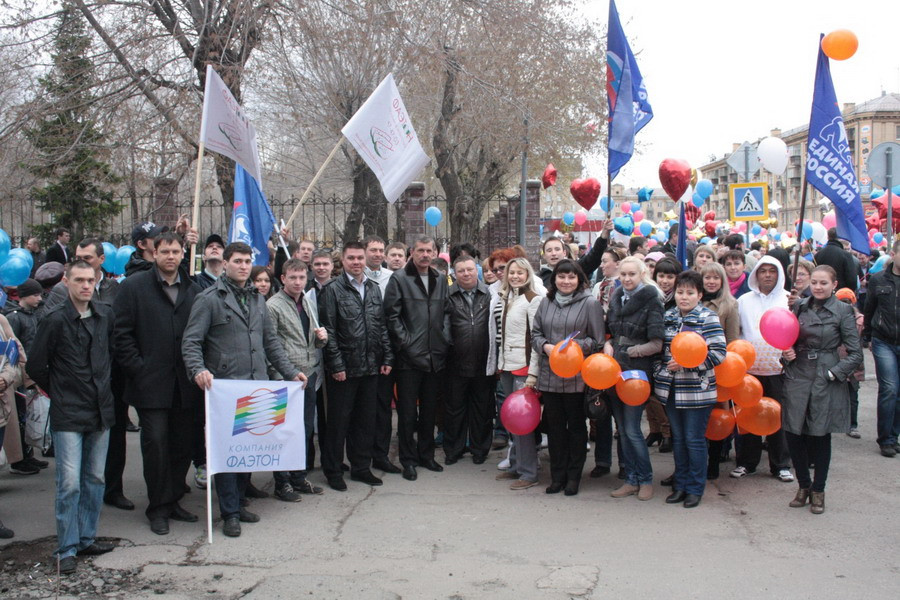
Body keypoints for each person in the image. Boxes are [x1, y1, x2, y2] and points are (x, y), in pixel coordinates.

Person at [182, 242, 307, 537]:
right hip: (225, 389)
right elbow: (191, 341)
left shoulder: (256, 298)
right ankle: (229, 513)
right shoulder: (209, 299)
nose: (243, 266)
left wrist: (290, 372)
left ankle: (239, 502)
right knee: (228, 453)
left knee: (249, 449)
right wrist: (198, 370)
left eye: (247, 261)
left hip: (256, 386)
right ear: (225, 264)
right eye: (237, 261)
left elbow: (270, 342)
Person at [27, 260, 117, 574]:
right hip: (68, 412)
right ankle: (66, 548)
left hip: (100, 409)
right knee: (69, 483)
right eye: (79, 280)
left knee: (95, 478)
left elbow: (111, 355)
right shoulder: (54, 320)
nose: (85, 286)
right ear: (66, 282)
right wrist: (60, 390)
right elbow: (35, 365)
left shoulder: (105, 315)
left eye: (90, 280)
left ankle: (86, 538)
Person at [112, 232, 202, 535]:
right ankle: (158, 508)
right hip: (149, 385)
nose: (170, 256)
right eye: (165, 251)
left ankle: (174, 499)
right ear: (155, 253)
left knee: (182, 446)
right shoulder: (134, 287)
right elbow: (121, 333)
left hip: (185, 385)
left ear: (182, 254)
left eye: (175, 251)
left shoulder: (193, 289)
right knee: (156, 446)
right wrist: (138, 368)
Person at [782, 266, 862, 514]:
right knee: (793, 431)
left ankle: (818, 490)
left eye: (823, 283)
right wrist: (786, 353)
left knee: (819, 434)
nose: (818, 287)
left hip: (825, 375)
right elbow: (788, 338)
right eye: (814, 282)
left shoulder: (843, 310)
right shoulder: (800, 306)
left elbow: (855, 352)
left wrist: (834, 373)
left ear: (834, 285)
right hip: (798, 373)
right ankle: (803, 485)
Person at [318, 242, 393, 490]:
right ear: (343, 260)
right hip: (344, 370)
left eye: (360, 258)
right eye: (351, 258)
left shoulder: (373, 288)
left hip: (371, 366)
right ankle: (333, 470)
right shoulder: (332, 290)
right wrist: (336, 365)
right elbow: (328, 330)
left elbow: (381, 325)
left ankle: (361, 467)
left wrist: (387, 357)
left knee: (365, 422)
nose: (356, 262)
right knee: (339, 423)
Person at [655, 270, 727, 508]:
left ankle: (695, 488)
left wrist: (689, 363)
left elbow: (719, 353)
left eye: (690, 293)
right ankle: (680, 484)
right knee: (678, 439)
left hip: (697, 389)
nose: (684, 297)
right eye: (680, 292)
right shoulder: (669, 316)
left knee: (694, 439)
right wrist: (660, 371)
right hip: (671, 388)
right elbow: (659, 350)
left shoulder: (708, 317)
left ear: (700, 295)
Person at [532, 260, 604, 495]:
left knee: (575, 427)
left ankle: (574, 477)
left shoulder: (589, 303)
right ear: (554, 279)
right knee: (554, 429)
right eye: (561, 277)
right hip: (549, 376)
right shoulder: (546, 302)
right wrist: (546, 346)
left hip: (576, 377)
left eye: (571, 277)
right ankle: (557, 476)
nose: (566, 281)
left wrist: (572, 347)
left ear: (579, 279)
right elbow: (535, 334)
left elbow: (597, 341)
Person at [383, 236, 450, 482]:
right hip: (409, 360)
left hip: (434, 356)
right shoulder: (399, 279)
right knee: (407, 413)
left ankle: (426, 455)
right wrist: (407, 344)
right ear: (412, 252)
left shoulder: (440, 279)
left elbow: (446, 312)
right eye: (420, 250)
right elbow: (392, 316)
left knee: (429, 411)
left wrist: (444, 339)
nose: (425, 255)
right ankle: (408, 460)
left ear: (435, 253)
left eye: (429, 251)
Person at [266, 259, 327, 499]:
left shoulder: (308, 302)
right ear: (283, 279)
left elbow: (311, 339)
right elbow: (269, 345)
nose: (298, 282)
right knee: (283, 432)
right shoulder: (273, 306)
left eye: (302, 277)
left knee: (304, 430)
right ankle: (282, 482)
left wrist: (321, 338)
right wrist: (280, 375)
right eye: (293, 277)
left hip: (308, 375)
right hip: (285, 379)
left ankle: (299, 477)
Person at [605, 257, 665, 501]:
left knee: (632, 429)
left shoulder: (652, 299)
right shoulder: (617, 297)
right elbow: (610, 332)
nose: (627, 279)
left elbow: (657, 343)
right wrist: (609, 344)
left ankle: (645, 479)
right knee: (622, 429)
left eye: (632, 274)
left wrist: (631, 351)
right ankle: (631, 479)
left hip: (637, 371)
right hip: (614, 369)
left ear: (642, 274)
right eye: (623, 274)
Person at [731, 256, 794, 482]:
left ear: (779, 274)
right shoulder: (744, 301)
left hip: (778, 370)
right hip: (750, 372)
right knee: (748, 418)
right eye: (763, 271)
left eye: (772, 271)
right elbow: (737, 331)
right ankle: (746, 463)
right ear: (756, 274)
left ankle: (781, 465)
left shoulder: (789, 300)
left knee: (778, 418)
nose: (767, 275)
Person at [489, 257, 544, 490]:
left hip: (524, 367)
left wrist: (533, 373)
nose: (515, 276)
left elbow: (536, 339)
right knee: (511, 420)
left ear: (528, 275)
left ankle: (528, 473)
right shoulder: (506, 297)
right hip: (507, 366)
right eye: (511, 272)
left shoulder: (533, 299)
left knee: (523, 422)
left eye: (520, 272)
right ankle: (515, 464)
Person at [444, 255, 493, 465]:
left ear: (477, 270)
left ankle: (479, 449)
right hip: (455, 363)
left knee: (482, 410)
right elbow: (443, 326)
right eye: (461, 271)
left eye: (470, 269)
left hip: (483, 363)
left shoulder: (489, 294)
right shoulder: (447, 295)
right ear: (454, 274)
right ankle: (454, 450)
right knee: (454, 410)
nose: (466, 274)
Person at [699, 261, 741, 480]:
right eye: (707, 277)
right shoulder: (693, 301)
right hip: (693, 369)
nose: (711, 281)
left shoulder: (729, 305)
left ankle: (714, 462)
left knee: (716, 418)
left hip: (718, 368)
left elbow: (733, 341)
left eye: (716, 277)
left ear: (722, 281)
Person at [863, 239, 900, 457]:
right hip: (883, 340)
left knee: (899, 392)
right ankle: (885, 439)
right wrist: (867, 335)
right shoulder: (878, 279)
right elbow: (869, 308)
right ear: (893, 255)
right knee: (889, 388)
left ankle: (894, 436)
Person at [538, 220, 612, 288]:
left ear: (564, 253)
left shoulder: (576, 268)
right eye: (549, 250)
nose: (553, 253)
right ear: (544, 255)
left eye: (557, 249)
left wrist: (603, 237)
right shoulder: (539, 279)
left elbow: (593, 257)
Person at [834, 288, 864, 439]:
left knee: (853, 397)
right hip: (835, 363)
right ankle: (834, 422)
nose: (845, 306)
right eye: (842, 302)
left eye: (848, 302)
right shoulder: (832, 318)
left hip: (853, 367)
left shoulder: (860, 321)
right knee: (832, 396)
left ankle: (852, 425)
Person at [814, 228, 858, 292]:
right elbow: (852, 280)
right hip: (841, 292)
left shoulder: (818, 254)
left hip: (821, 290)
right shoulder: (846, 255)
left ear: (828, 237)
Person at [591, 247, 624, 314]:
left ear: (617, 264)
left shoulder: (626, 287)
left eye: (605, 261)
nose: (601, 265)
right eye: (601, 261)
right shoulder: (598, 286)